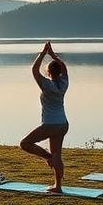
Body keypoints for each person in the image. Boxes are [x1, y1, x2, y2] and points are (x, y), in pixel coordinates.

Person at [19, 41, 69, 192]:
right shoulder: (64, 83)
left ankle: (48, 157)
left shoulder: (47, 85)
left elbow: (34, 70)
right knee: (57, 154)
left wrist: (43, 53)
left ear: (48, 72)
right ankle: (58, 187)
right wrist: (52, 55)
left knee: (25, 143)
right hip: (63, 124)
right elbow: (64, 67)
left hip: (50, 124)